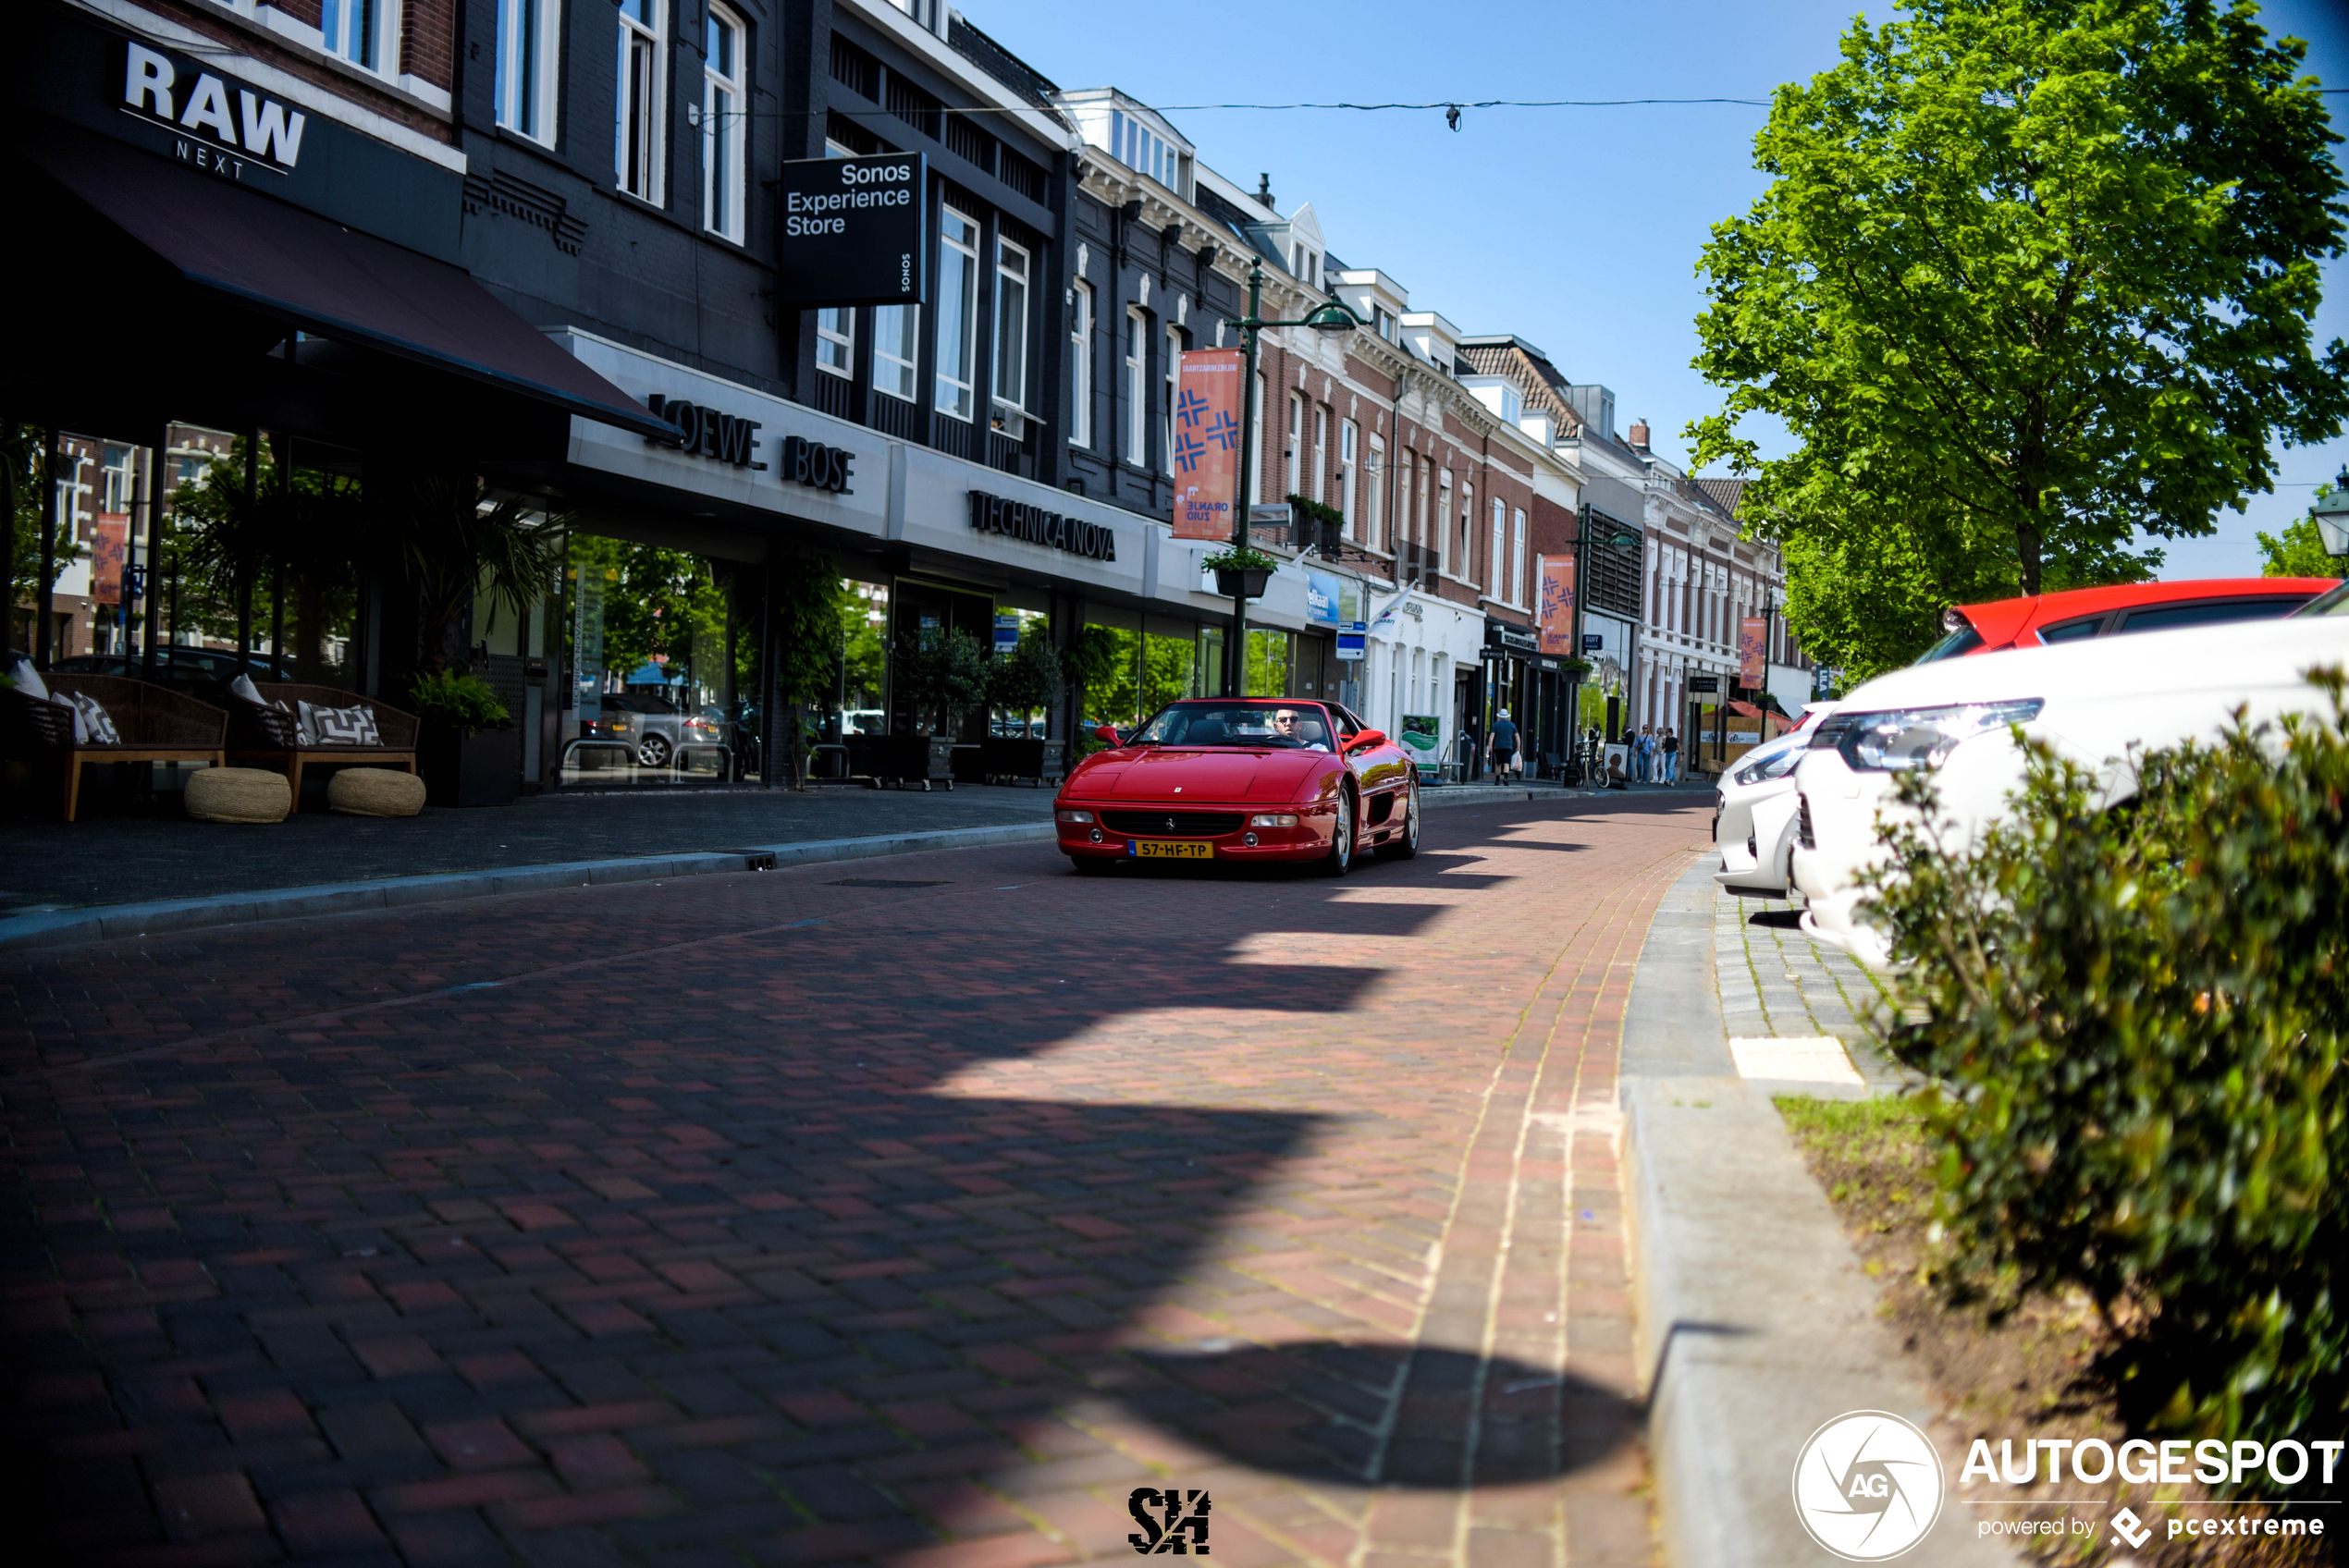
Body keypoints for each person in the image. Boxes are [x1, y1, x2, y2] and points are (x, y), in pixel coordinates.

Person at [1490, 707, 1519, 783]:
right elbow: (1517, 736)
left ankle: (1497, 780)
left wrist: (1490, 745)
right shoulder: (1512, 725)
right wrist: (1518, 746)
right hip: (1508, 746)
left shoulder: (1496, 724)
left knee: (1498, 763)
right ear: (1507, 716)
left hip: (1498, 747)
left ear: (1499, 716)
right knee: (1506, 763)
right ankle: (1505, 778)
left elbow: (1492, 735)